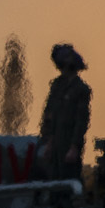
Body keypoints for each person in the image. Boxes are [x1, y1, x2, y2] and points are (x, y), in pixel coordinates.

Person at [39, 43, 92, 184]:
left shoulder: (81, 89)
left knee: (69, 180)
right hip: (55, 142)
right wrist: (48, 143)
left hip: (68, 141)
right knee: (53, 182)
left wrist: (74, 147)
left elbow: (81, 121)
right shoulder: (57, 86)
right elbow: (49, 115)